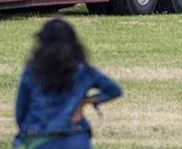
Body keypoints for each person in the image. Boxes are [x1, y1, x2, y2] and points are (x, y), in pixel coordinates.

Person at [13, 19, 122, 149]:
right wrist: (86, 101)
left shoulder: (31, 71)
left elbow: (21, 109)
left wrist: (26, 133)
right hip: (75, 135)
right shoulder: (83, 71)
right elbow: (114, 90)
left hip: (40, 136)